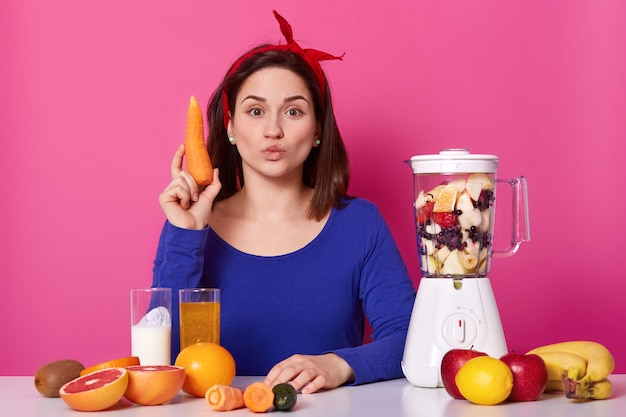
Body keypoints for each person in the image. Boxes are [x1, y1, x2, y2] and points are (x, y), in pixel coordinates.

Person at [152, 10, 416, 394]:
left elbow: (410, 338)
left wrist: (338, 364)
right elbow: (158, 359)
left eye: (293, 111)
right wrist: (186, 236)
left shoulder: (360, 223)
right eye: (255, 111)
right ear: (229, 127)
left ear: (317, 132)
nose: (273, 129)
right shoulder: (191, 227)